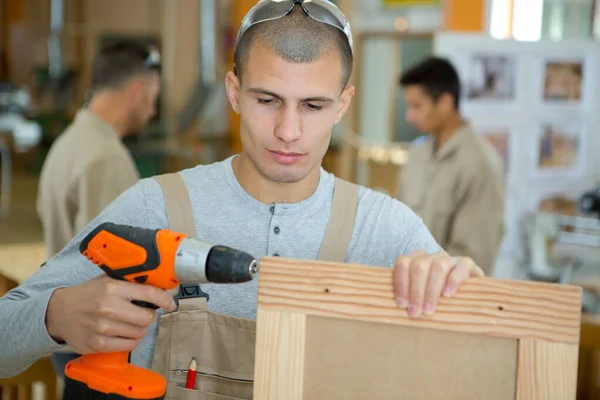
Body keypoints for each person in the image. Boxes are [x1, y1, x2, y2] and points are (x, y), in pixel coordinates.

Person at [0, 0, 484, 391]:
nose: (288, 131)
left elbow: (478, 369)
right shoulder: (154, 207)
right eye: (266, 100)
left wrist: (469, 297)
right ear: (234, 93)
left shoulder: (389, 231)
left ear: (343, 104)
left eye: (313, 105)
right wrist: (54, 313)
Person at [35, 39, 161, 379]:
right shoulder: (105, 158)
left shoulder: (69, 143)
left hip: (66, 333)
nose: (152, 110)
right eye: (153, 97)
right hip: (97, 344)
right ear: (136, 90)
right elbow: (119, 260)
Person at [396, 56, 505, 275]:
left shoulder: (480, 163)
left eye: (417, 106)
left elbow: (475, 258)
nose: (409, 116)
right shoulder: (418, 153)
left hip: (445, 295)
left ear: (445, 102)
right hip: (403, 285)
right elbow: (396, 221)